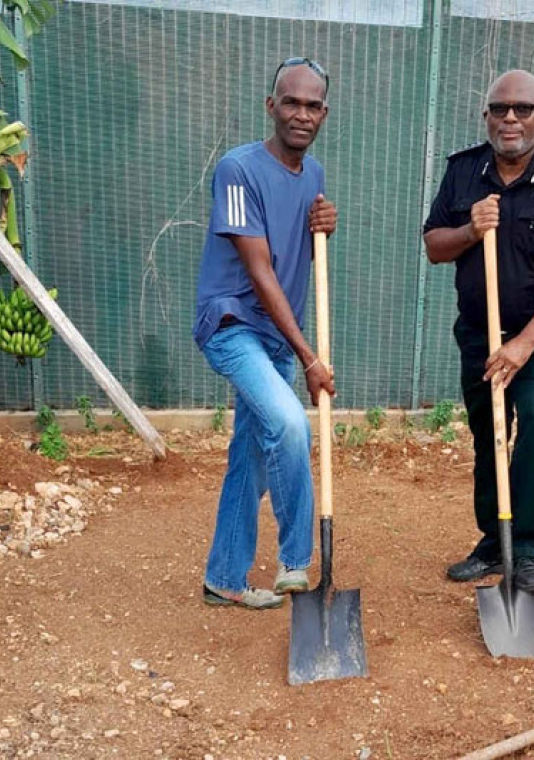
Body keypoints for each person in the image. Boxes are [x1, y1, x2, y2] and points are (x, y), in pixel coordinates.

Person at [422, 69, 534, 592]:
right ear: (486, 116)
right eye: (500, 108)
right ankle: (492, 542)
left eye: (523, 109)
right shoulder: (464, 171)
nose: (511, 118)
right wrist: (470, 229)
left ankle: (524, 550)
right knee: (489, 432)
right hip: (479, 334)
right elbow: (434, 246)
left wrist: (524, 343)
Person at [192, 57, 338, 609]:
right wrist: (309, 358)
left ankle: (224, 578)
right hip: (232, 325)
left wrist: (323, 228)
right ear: (271, 105)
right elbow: (259, 270)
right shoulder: (237, 169)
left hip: (275, 335)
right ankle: (296, 561)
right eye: (291, 102)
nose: (301, 114)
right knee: (289, 424)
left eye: (312, 105)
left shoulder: (314, 175)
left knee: (250, 459)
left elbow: (295, 249)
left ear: (324, 113)